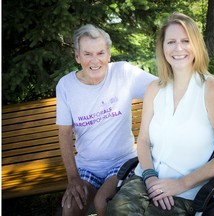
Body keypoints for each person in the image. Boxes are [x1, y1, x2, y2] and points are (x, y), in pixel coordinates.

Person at [107, 12, 214, 215]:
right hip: (146, 179)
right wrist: (149, 177)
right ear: (162, 47)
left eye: (186, 41)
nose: (178, 48)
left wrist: (180, 184)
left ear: (196, 45)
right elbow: (143, 141)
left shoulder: (213, 89)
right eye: (171, 42)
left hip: (187, 190)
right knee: (115, 210)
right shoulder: (154, 89)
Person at [56, 24, 157, 216]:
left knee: (102, 202)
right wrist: (73, 178)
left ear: (109, 54)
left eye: (100, 53)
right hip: (87, 167)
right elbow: (64, 133)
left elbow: (163, 88)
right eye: (87, 54)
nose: (95, 60)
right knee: (69, 209)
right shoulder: (65, 86)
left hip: (122, 163)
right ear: (77, 56)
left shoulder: (124, 73)